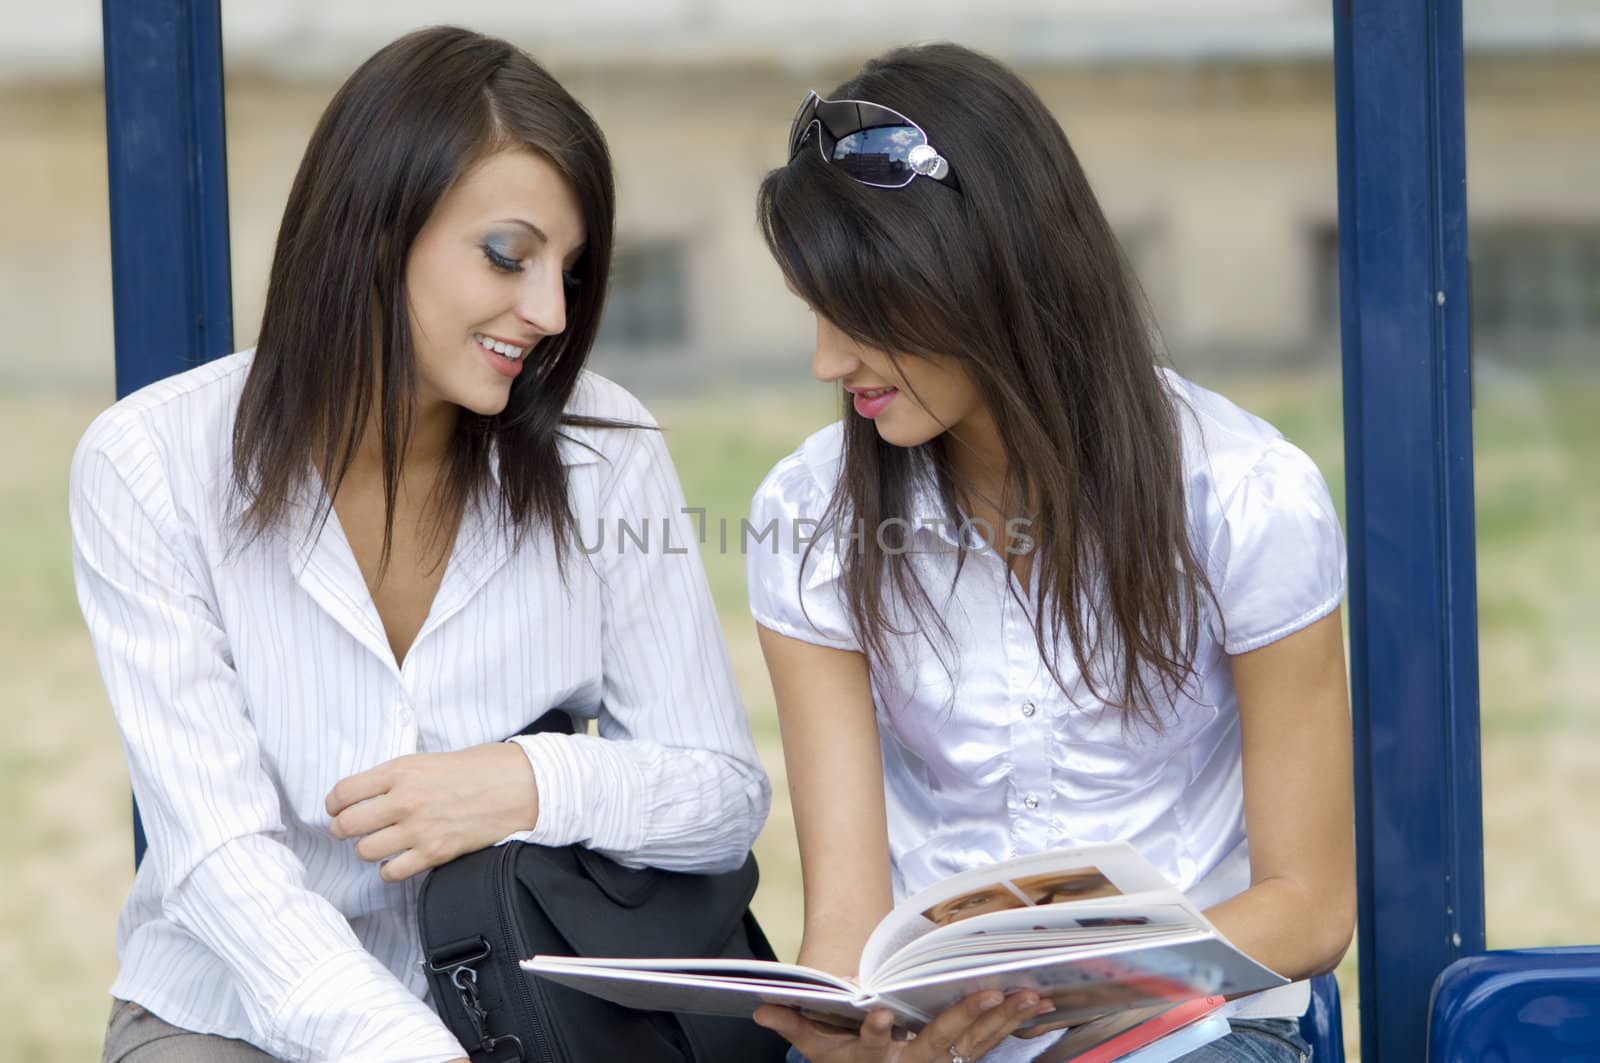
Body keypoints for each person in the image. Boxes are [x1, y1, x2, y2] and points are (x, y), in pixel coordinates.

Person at [73, 26, 769, 1063]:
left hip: (541, 1020)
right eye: (507, 255)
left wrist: (527, 781)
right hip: (233, 1023)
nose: (546, 313)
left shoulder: (602, 452)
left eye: (569, 273)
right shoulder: (151, 464)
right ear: (372, 227)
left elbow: (720, 795)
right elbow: (221, 858)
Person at [746, 43, 1352, 1063]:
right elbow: (847, 916)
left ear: (985, 278)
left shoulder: (1245, 495)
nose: (826, 359)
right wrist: (861, 1037)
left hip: (1188, 1034)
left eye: (858, 311)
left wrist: (1056, 997)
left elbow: (1310, 909)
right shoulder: (809, 515)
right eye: (816, 307)